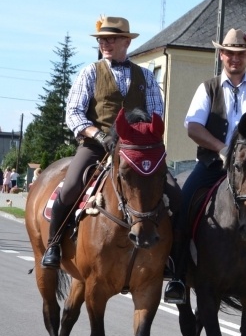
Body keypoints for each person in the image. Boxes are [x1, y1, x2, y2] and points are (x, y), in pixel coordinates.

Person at [163, 28, 246, 304]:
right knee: (182, 208)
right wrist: (222, 148)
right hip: (214, 163)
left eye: (240, 54)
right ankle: (177, 274)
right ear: (221, 54)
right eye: (229, 53)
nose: (234, 58)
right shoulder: (208, 88)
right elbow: (193, 127)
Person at [42, 15, 182, 272]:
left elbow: (156, 116)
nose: (104, 43)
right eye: (101, 39)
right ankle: (53, 244)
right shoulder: (89, 72)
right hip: (97, 146)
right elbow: (73, 112)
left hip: (135, 151)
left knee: (174, 193)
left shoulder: (147, 77)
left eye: (111, 39)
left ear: (126, 42)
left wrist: (140, 140)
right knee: (71, 185)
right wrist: (98, 136)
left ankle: (173, 258)